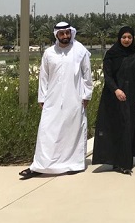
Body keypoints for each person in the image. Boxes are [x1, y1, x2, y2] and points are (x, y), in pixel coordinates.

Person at [19, 22, 93, 180]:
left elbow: (87, 74)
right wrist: (42, 97)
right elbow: (43, 76)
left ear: (71, 33)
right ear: (56, 35)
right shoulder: (49, 53)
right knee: (46, 131)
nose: (65, 36)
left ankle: (74, 164)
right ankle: (39, 165)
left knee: (72, 131)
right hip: (52, 99)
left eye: (67, 33)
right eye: (62, 33)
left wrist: (86, 95)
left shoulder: (80, 50)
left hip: (75, 97)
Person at [92, 26, 135, 175]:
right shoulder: (111, 54)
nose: (127, 40)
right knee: (116, 127)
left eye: (129, 37)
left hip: (132, 97)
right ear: (119, 38)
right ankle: (115, 160)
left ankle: (125, 162)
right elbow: (108, 76)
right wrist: (116, 90)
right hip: (113, 97)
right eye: (124, 37)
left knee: (128, 128)